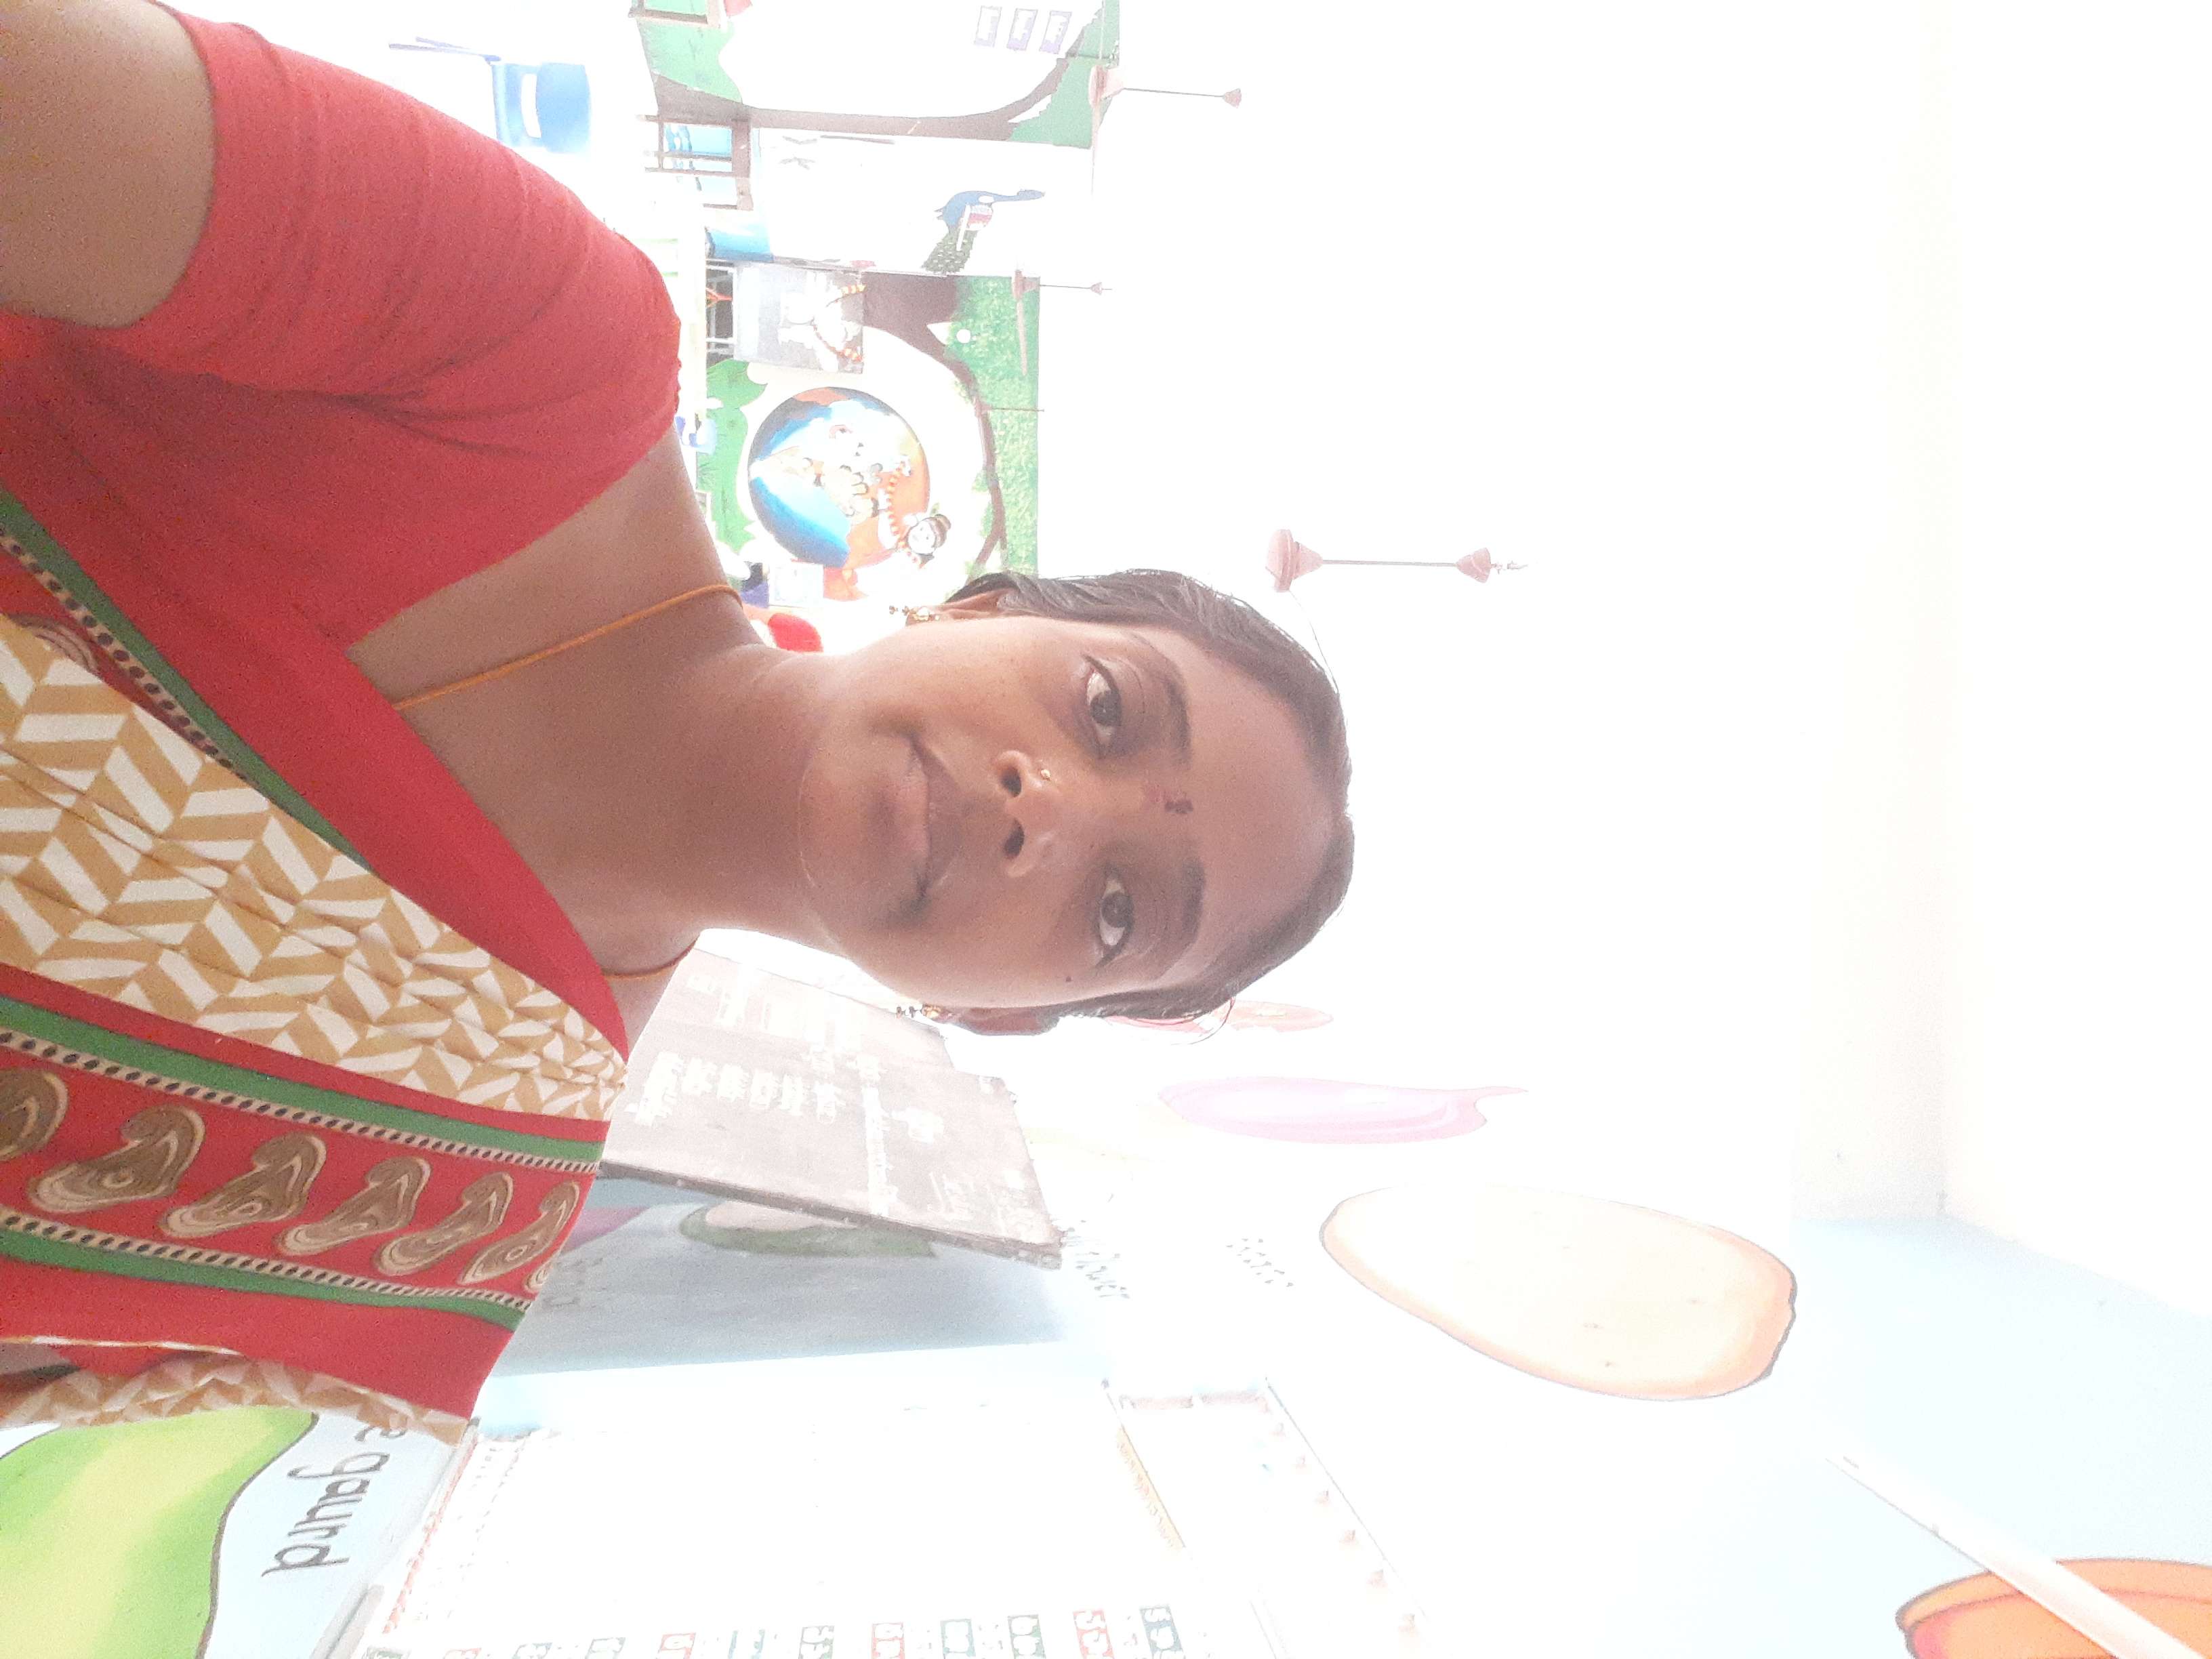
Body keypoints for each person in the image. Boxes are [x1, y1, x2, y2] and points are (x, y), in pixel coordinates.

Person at [0, 1, 1353, 1432]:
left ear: (999, 1015)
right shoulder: (530, 349)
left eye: (1120, 912)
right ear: (978, 606)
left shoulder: (454, 1202)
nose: (1051, 811)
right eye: (1105, 709)